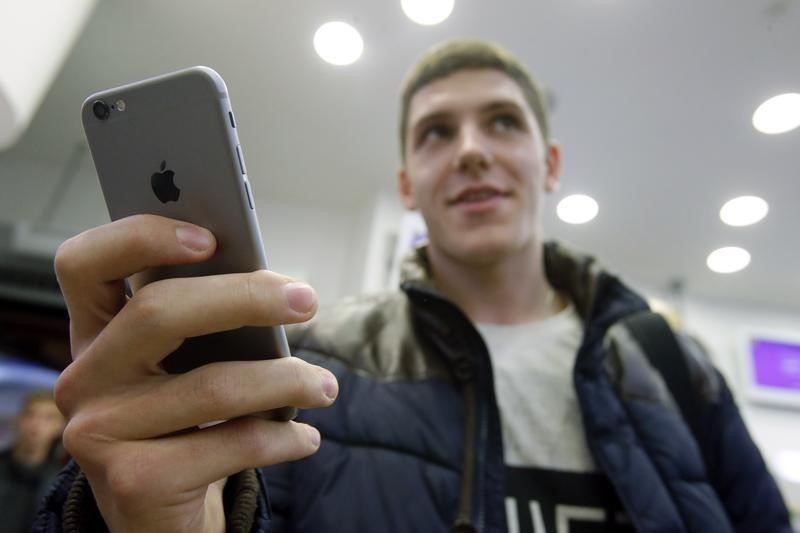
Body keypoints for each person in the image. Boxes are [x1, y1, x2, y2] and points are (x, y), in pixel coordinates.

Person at [36, 40, 791, 532]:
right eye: (436, 132)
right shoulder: (317, 362)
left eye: (502, 123)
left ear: (550, 165)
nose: (469, 152)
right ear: (407, 184)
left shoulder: (668, 361)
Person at [1, 389, 66, 533]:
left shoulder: (60, 482)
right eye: (31, 415)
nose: (37, 424)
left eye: (49, 418)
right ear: (19, 419)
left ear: (60, 426)